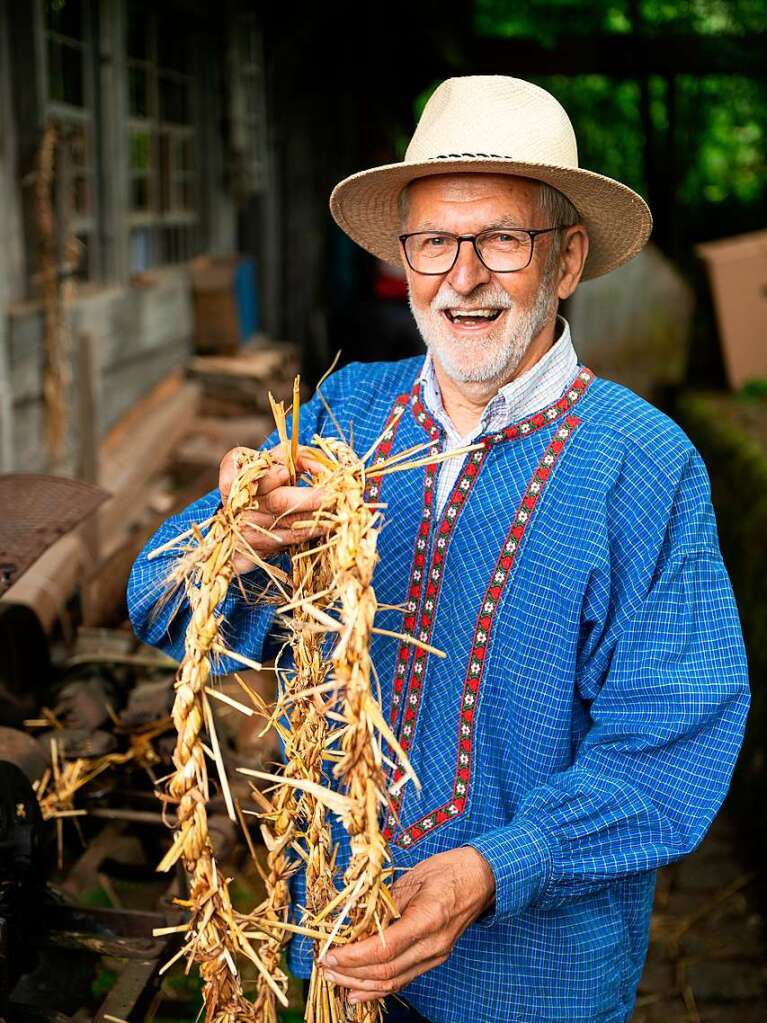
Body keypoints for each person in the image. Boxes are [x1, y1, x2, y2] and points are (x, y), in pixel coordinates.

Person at [127, 76, 750, 1023]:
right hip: (342, 957)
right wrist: (237, 539)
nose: (462, 277)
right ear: (405, 256)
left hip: (538, 981)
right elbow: (158, 604)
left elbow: (670, 746)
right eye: (432, 242)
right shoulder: (339, 420)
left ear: (568, 258)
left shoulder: (644, 467)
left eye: (502, 239)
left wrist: (493, 869)